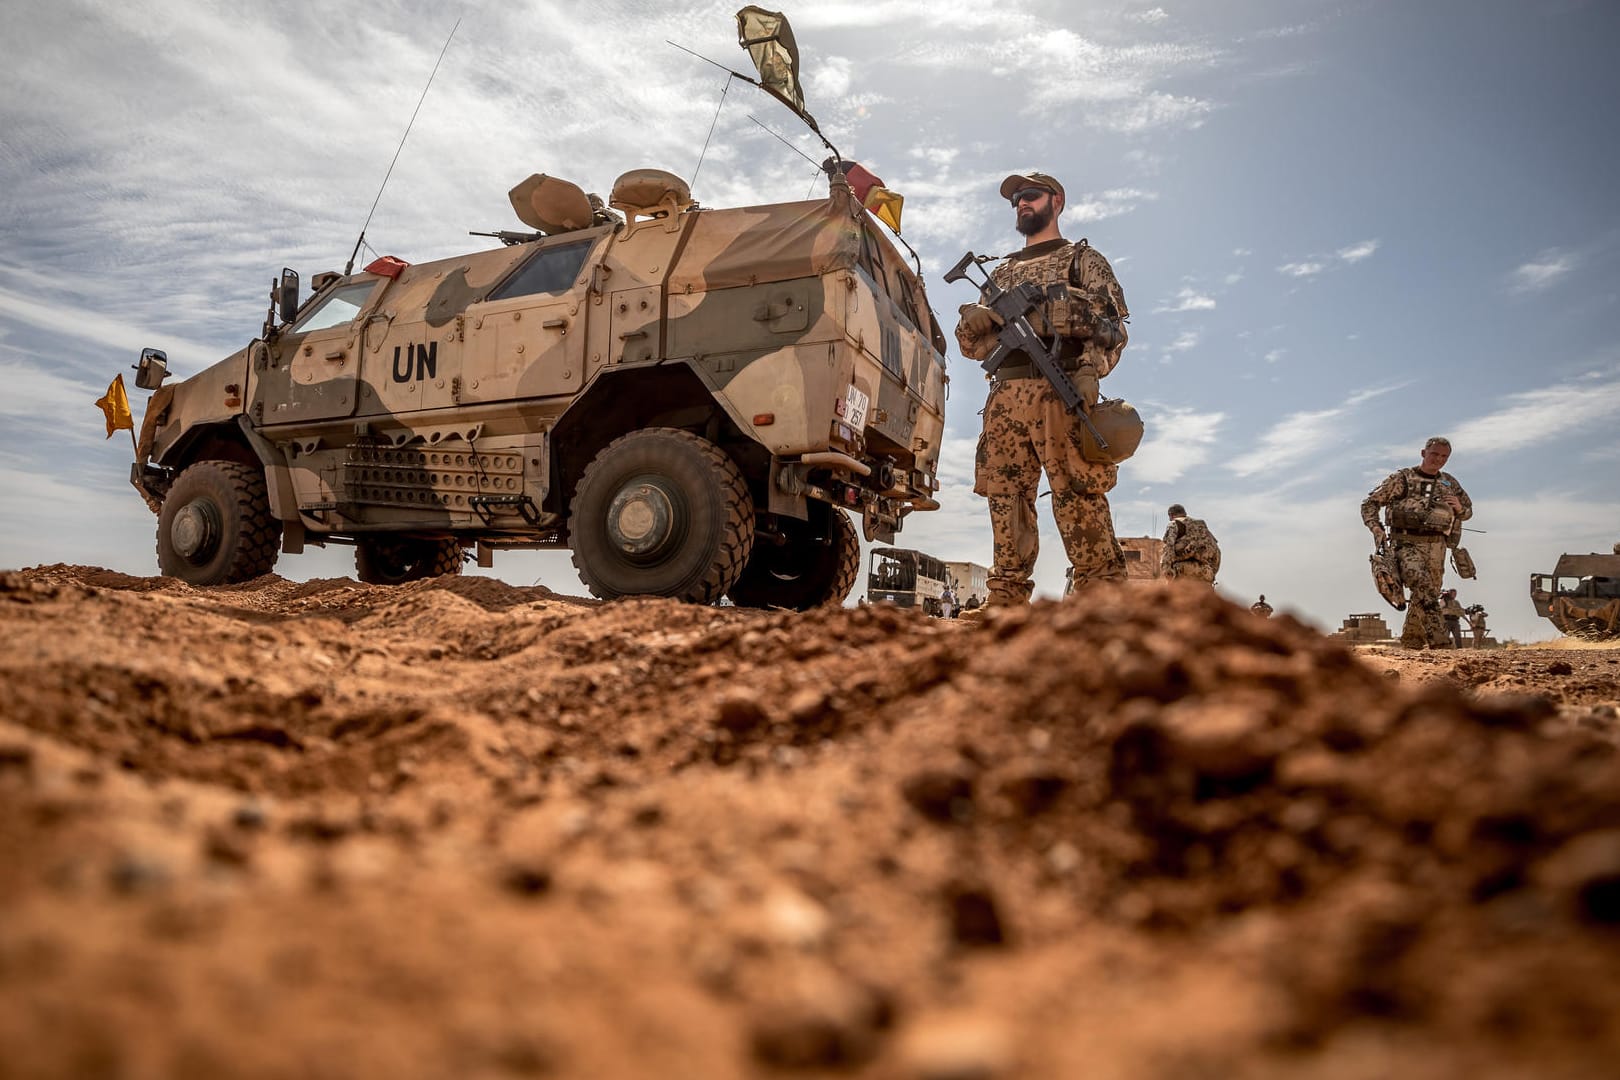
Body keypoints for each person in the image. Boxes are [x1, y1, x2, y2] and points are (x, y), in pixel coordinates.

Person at [955, 170, 1130, 606]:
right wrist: (973, 320)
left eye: (1030, 196)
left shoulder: (1082, 261)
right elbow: (971, 347)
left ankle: (1101, 601)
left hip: (1061, 387)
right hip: (1005, 397)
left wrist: (1090, 369)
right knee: (1005, 498)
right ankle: (1007, 601)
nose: (1022, 204)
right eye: (1016, 200)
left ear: (1057, 201)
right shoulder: (1002, 272)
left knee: (1078, 493)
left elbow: (1112, 328)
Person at [1361, 436, 1473, 649]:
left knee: (1428, 591)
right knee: (1422, 585)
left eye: (1444, 457)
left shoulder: (1449, 483)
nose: (1438, 460)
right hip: (1405, 543)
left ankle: (1412, 643)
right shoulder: (1402, 479)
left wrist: (1460, 508)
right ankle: (1440, 643)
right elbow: (1370, 504)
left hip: (1437, 546)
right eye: (1434, 454)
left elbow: (1467, 512)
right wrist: (1376, 528)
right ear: (1423, 453)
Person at [1160, 504, 1221, 584]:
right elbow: (1216, 551)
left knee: (1179, 596)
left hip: (1182, 573)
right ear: (1184, 513)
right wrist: (1211, 572)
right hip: (1204, 572)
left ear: (1171, 515)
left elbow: (1168, 549)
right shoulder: (1201, 526)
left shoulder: (1174, 524)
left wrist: (1167, 572)